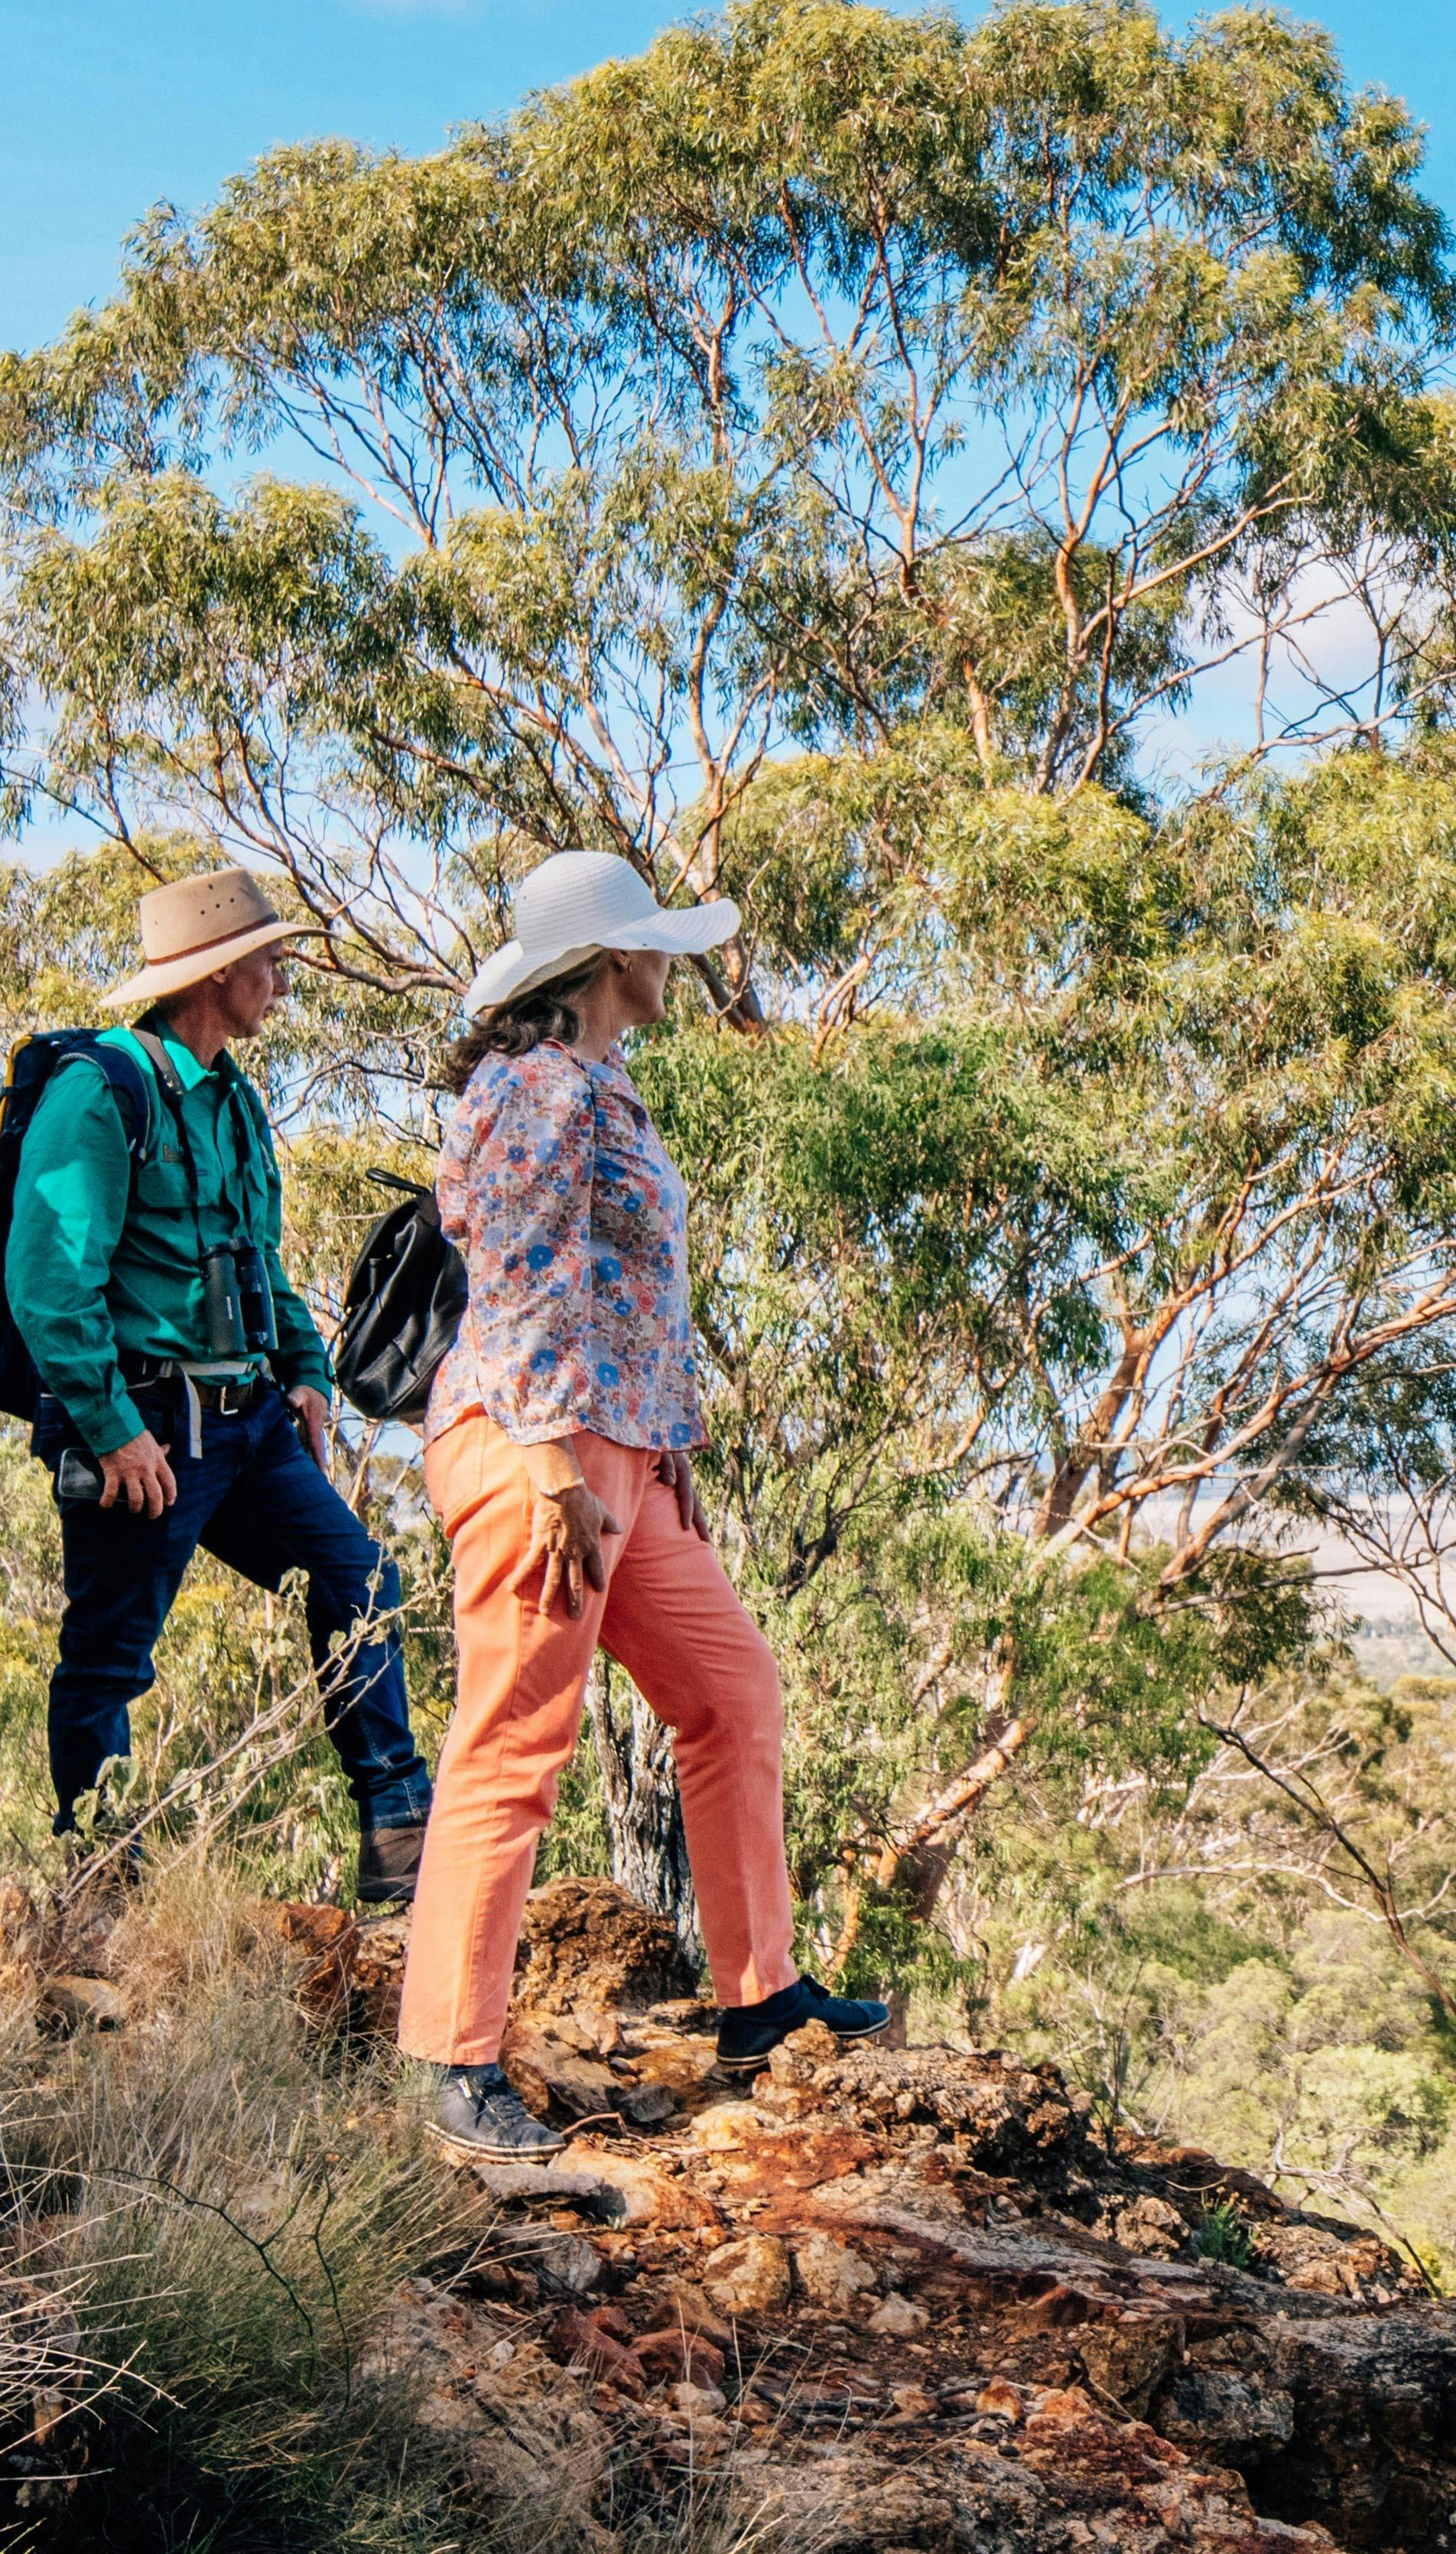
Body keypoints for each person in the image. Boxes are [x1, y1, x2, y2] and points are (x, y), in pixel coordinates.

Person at [398, 848, 886, 2159]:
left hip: (625, 1459)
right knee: (512, 1745)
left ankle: (760, 1997)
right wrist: (557, 1463)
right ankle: (448, 2054)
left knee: (731, 1691)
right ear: (615, 960)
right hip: (536, 1455)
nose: (676, 960)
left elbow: (629, 1305)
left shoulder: (603, 1083)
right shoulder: (535, 1088)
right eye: (659, 941)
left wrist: (667, 1461)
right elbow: (517, 1279)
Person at [9, 863, 436, 1903]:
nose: (284, 976)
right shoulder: (98, 1092)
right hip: (144, 1430)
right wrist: (112, 1429)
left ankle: (399, 1838)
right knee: (108, 1659)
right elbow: (47, 1278)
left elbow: (261, 1260)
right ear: (214, 971)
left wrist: (305, 1373)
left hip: (248, 1428)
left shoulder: (237, 1102)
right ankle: (100, 1883)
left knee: (362, 1577)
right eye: (270, 956)